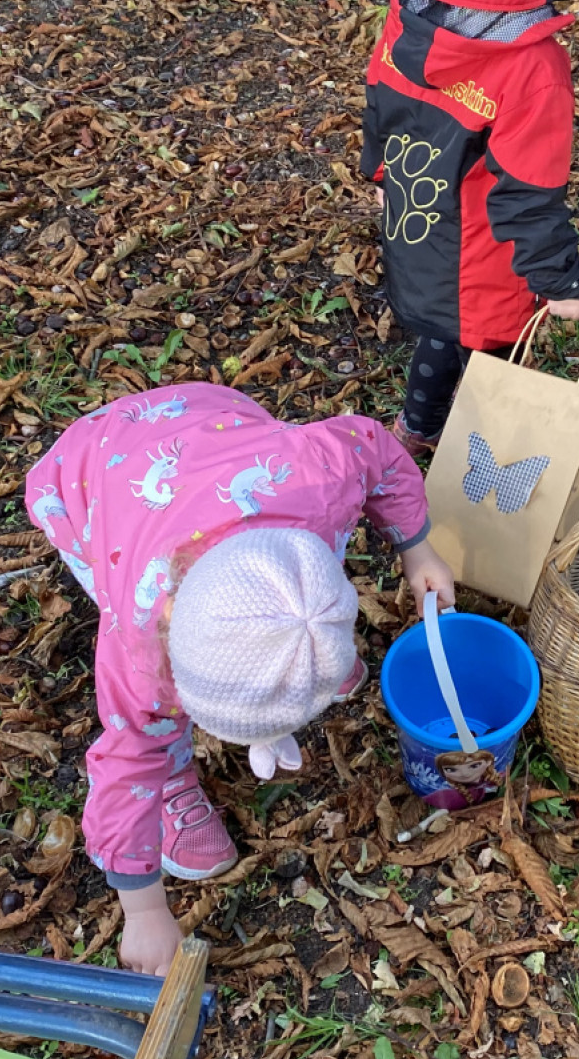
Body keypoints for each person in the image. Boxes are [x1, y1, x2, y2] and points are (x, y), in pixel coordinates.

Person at [26, 383, 456, 975]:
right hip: (87, 481)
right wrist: (144, 911)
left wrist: (417, 548)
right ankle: (176, 782)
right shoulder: (140, 642)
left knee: (289, 622)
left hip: (208, 419)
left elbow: (374, 448)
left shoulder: (320, 479)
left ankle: (301, 655)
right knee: (151, 735)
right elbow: (126, 768)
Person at [362, 0, 579, 456]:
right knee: (491, 360)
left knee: (443, 328)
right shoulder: (533, 66)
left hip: (416, 225)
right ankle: (485, 470)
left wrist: (380, 173)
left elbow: (383, 102)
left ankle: (415, 432)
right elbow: (527, 193)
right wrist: (562, 282)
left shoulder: (413, 15)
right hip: (483, 258)